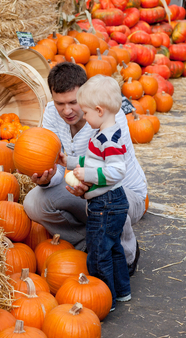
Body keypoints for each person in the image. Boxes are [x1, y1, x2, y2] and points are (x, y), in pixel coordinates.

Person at [23, 62, 147, 275]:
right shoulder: (52, 113)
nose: (67, 110)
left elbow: (115, 171)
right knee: (34, 202)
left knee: (107, 200)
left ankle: (126, 254)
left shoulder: (109, 115)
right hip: (85, 188)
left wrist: (88, 182)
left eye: (73, 102)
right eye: (60, 103)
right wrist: (47, 178)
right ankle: (89, 242)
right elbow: (58, 165)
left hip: (124, 193)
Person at [57, 75, 131, 311]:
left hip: (106, 203)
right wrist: (68, 161)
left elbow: (117, 170)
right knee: (113, 248)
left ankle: (104, 299)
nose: (84, 117)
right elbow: (92, 160)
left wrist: (87, 176)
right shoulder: (102, 133)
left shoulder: (108, 138)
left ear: (99, 110)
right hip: (110, 202)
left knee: (98, 252)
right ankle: (122, 291)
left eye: (86, 113)